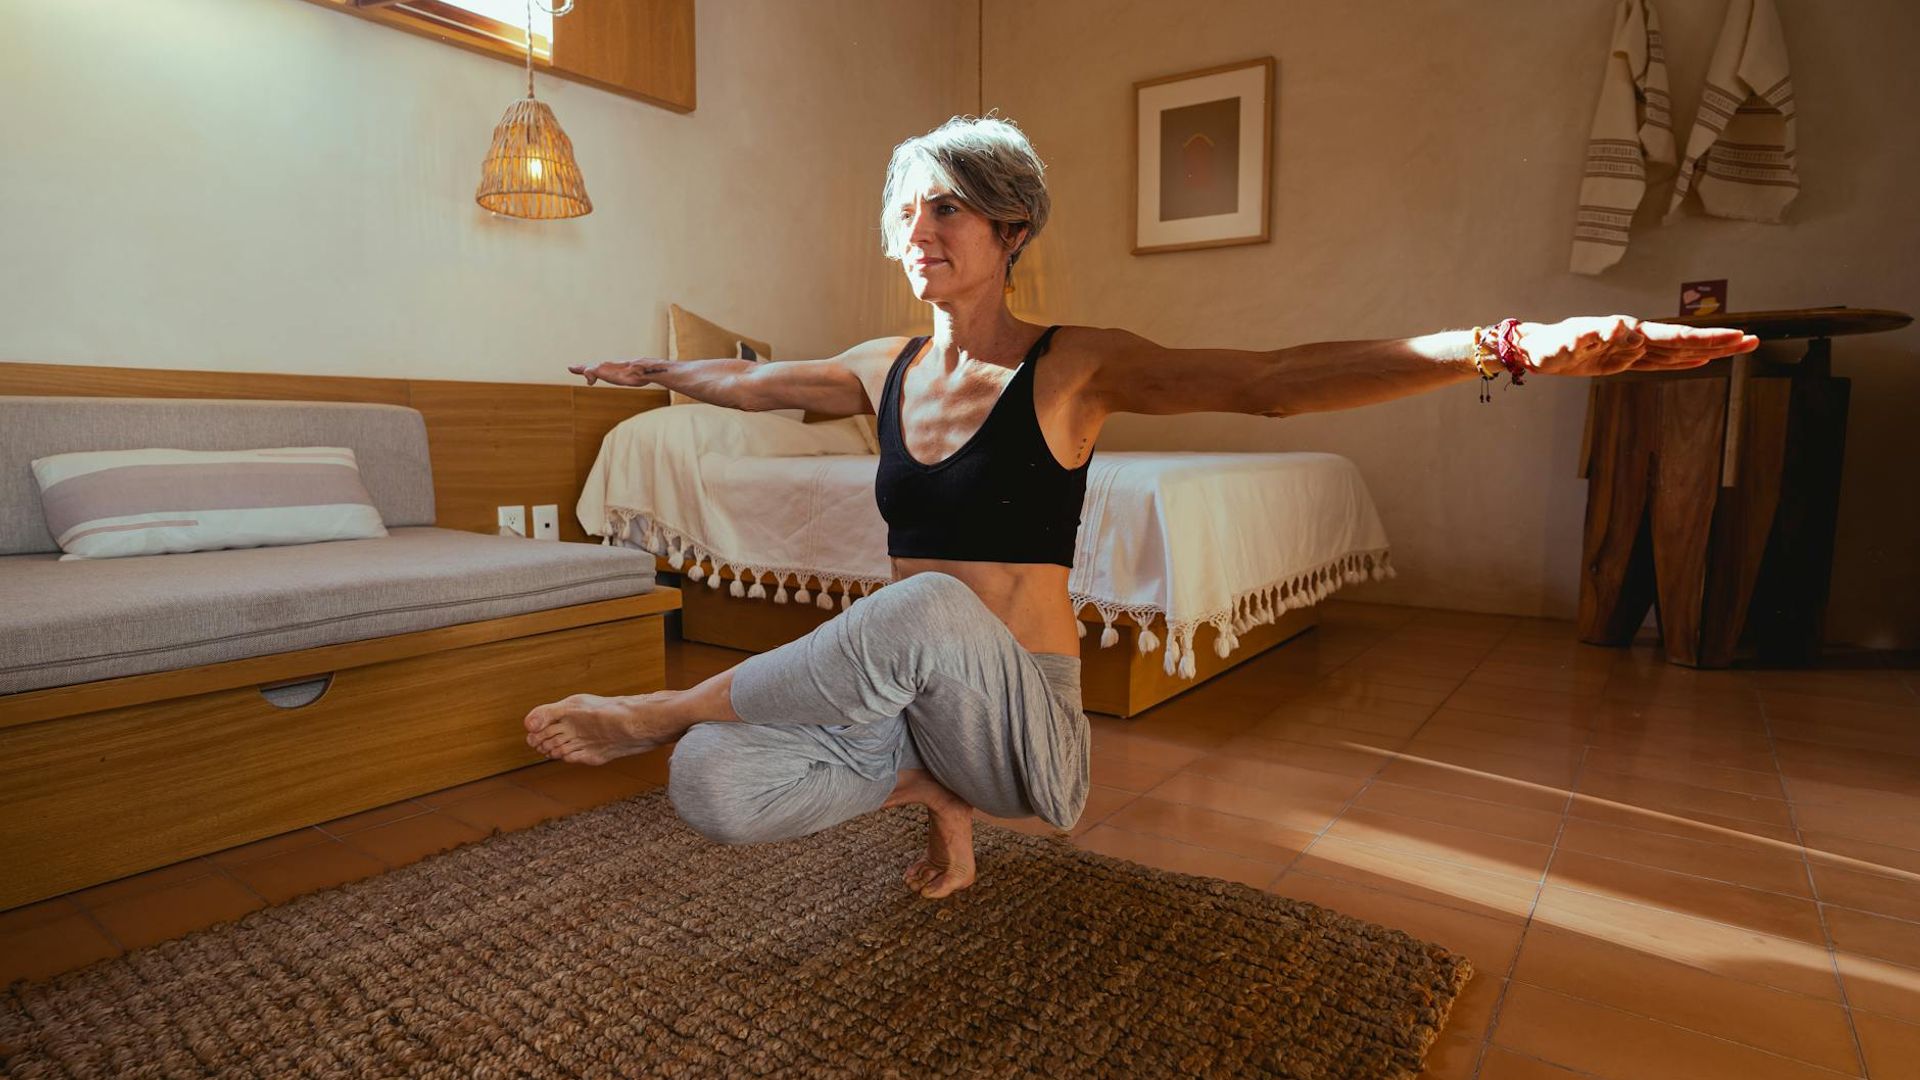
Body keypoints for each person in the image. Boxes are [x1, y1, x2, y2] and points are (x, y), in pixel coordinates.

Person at [523, 116, 1758, 899]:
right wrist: (660, 370)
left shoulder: (1075, 364)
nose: (920, 230)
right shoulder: (879, 364)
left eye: (945, 206)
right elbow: (756, 381)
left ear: (1010, 227)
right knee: (711, 782)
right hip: (915, 725)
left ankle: (656, 710)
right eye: (907, 212)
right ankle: (928, 794)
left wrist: (1505, 344)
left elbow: (1273, 382)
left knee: (919, 609)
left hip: (1032, 735)